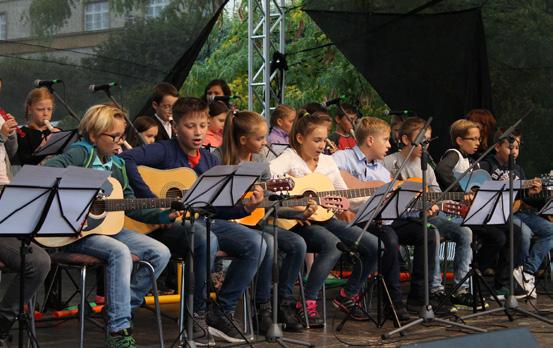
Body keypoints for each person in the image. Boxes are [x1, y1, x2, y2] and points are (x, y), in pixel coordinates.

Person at [121, 97, 268, 343]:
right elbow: (126, 159)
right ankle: (196, 313)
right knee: (205, 238)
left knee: (257, 243)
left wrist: (244, 207)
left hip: (202, 222)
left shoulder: (210, 160)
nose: (198, 132)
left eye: (202, 125)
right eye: (190, 126)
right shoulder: (163, 150)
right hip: (166, 225)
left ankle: (221, 310)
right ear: (175, 126)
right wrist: (153, 202)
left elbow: (217, 208)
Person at [45, 104, 171, 347]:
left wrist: (163, 215)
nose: (119, 143)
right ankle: (118, 331)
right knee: (119, 252)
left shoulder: (118, 166)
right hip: (75, 233)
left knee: (160, 252)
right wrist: (75, 205)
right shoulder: (80, 154)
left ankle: (119, 310)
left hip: (109, 230)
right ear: (93, 135)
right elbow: (47, 173)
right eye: (114, 137)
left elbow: (132, 204)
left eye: (122, 137)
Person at [270, 112, 380, 325]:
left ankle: (348, 294)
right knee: (332, 245)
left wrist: (373, 198)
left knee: (374, 245)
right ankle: (307, 302)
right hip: (298, 221)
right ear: (300, 138)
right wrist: (299, 203)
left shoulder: (328, 163)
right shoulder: (289, 158)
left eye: (324, 140)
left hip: (325, 219)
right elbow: (270, 178)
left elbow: (344, 194)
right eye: (317, 140)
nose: (322, 145)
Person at [213, 110, 306, 332]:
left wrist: (298, 213)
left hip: (254, 222)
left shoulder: (261, 165)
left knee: (297, 244)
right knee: (268, 243)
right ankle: (261, 307)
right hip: (222, 222)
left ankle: (282, 303)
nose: (265, 143)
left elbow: (267, 206)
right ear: (243, 140)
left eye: (265, 137)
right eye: (259, 138)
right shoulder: (217, 158)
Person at [382, 117, 475, 310]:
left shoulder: (428, 168)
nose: (426, 145)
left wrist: (434, 204)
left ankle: (461, 288)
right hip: (401, 219)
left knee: (464, 232)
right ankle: (434, 288)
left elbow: (436, 196)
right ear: (406, 140)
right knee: (431, 232)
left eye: (429, 141)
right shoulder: (389, 163)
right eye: (422, 140)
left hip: (427, 215)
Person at [435, 119, 524, 298]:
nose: (478, 143)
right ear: (460, 140)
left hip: (472, 213)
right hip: (455, 214)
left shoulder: (473, 162)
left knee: (513, 230)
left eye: (478, 139)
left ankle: (501, 283)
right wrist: (461, 193)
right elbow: (442, 170)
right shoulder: (454, 154)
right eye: (473, 139)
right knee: (497, 237)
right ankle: (472, 273)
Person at [0, 78, 51, 347]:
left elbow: (12, 153)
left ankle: (2, 321)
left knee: (40, 260)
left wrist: (7, 136)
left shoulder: (1, 115)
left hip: (7, 195)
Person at [481, 128, 551, 299]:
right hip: (496, 214)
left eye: (517, 148)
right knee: (524, 233)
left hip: (517, 212)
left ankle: (526, 271)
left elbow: (524, 198)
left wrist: (533, 193)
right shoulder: (487, 165)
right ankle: (513, 279)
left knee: (550, 230)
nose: (514, 152)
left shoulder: (518, 170)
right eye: (510, 147)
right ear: (497, 147)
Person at [16, 87, 61, 165]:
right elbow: (26, 162)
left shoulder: (57, 131)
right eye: (40, 109)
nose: (46, 113)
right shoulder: (22, 133)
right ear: (30, 109)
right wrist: (44, 146)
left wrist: (63, 140)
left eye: (49, 109)